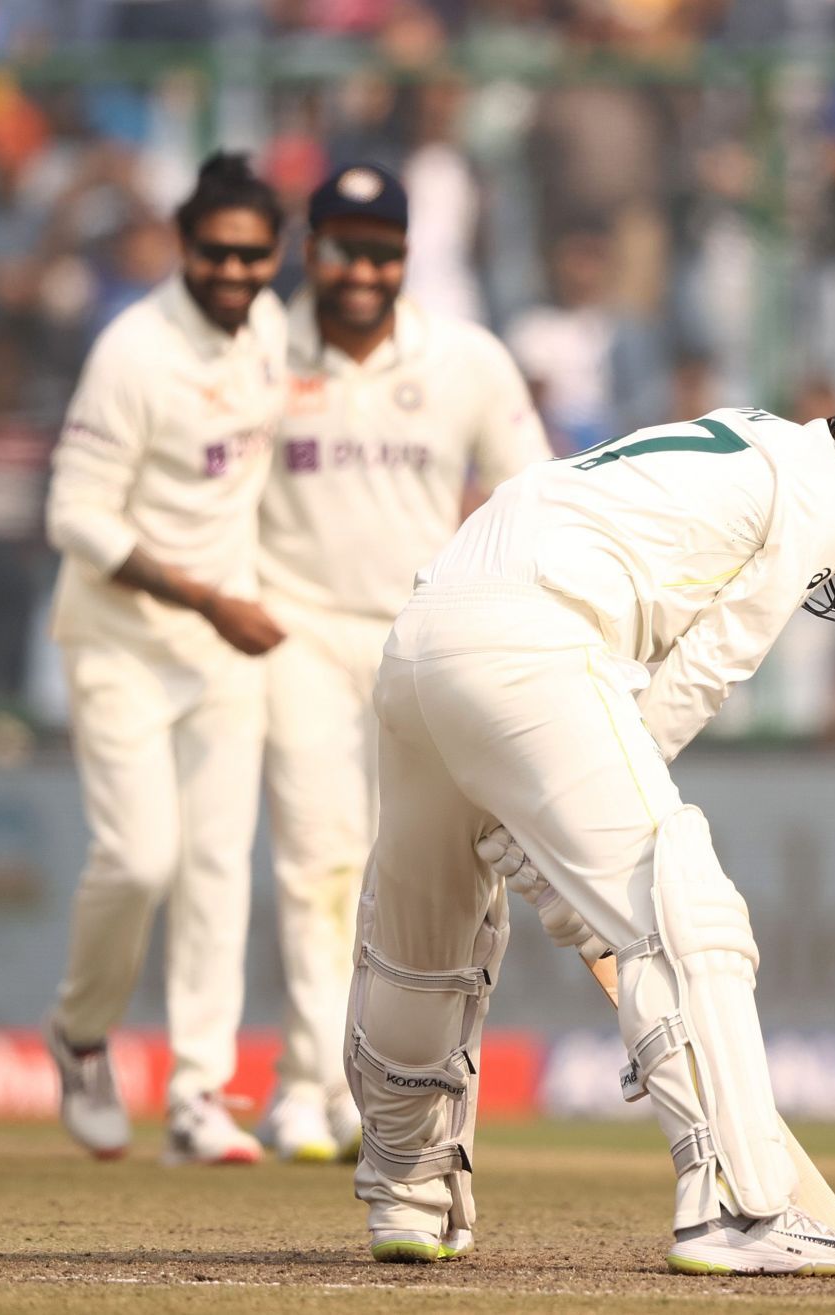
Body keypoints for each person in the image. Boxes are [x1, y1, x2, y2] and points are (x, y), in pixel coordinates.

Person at [343, 408, 835, 1273]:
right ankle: (741, 1208)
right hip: (530, 640)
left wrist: (550, 812)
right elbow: (714, 661)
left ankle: (404, 1195)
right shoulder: (827, 488)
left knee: (424, 933)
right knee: (685, 909)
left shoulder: (745, 440)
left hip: (422, 636)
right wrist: (566, 814)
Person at [255, 163, 549, 1161]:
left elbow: (534, 497)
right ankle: (307, 1087)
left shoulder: (467, 360)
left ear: (407, 258)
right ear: (311, 252)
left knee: (413, 871)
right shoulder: (260, 351)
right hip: (291, 624)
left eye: (383, 252)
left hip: (418, 635)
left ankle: (383, 1082)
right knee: (319, 855)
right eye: (344, 249)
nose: (363, 271)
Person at [42, 153, 289, 1165]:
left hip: (224, 647)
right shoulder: (133, 353)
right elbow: (72, 514)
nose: (234, 271)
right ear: (183, 248)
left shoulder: (270, 330)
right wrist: (206, 598)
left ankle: (197, 1092)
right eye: (216, 252)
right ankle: (81, 1034)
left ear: (276, 255)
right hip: (122, 643)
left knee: (219, 865)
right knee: (141, 856)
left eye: (253, 254)